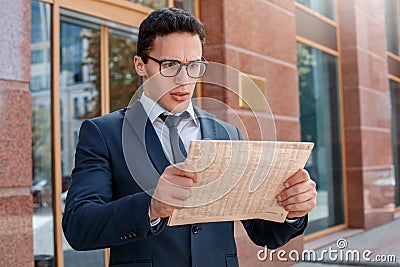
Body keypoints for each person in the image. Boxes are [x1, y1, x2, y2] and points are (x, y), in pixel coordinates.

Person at [62, 7, 317, 267]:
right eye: (170, 65)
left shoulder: (228, 134)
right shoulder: (104, 134)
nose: (184, 80)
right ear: (141, 65)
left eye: (193, 65)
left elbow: (264, 233)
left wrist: (291, 211)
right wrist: (151, 206)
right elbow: (78, 226)